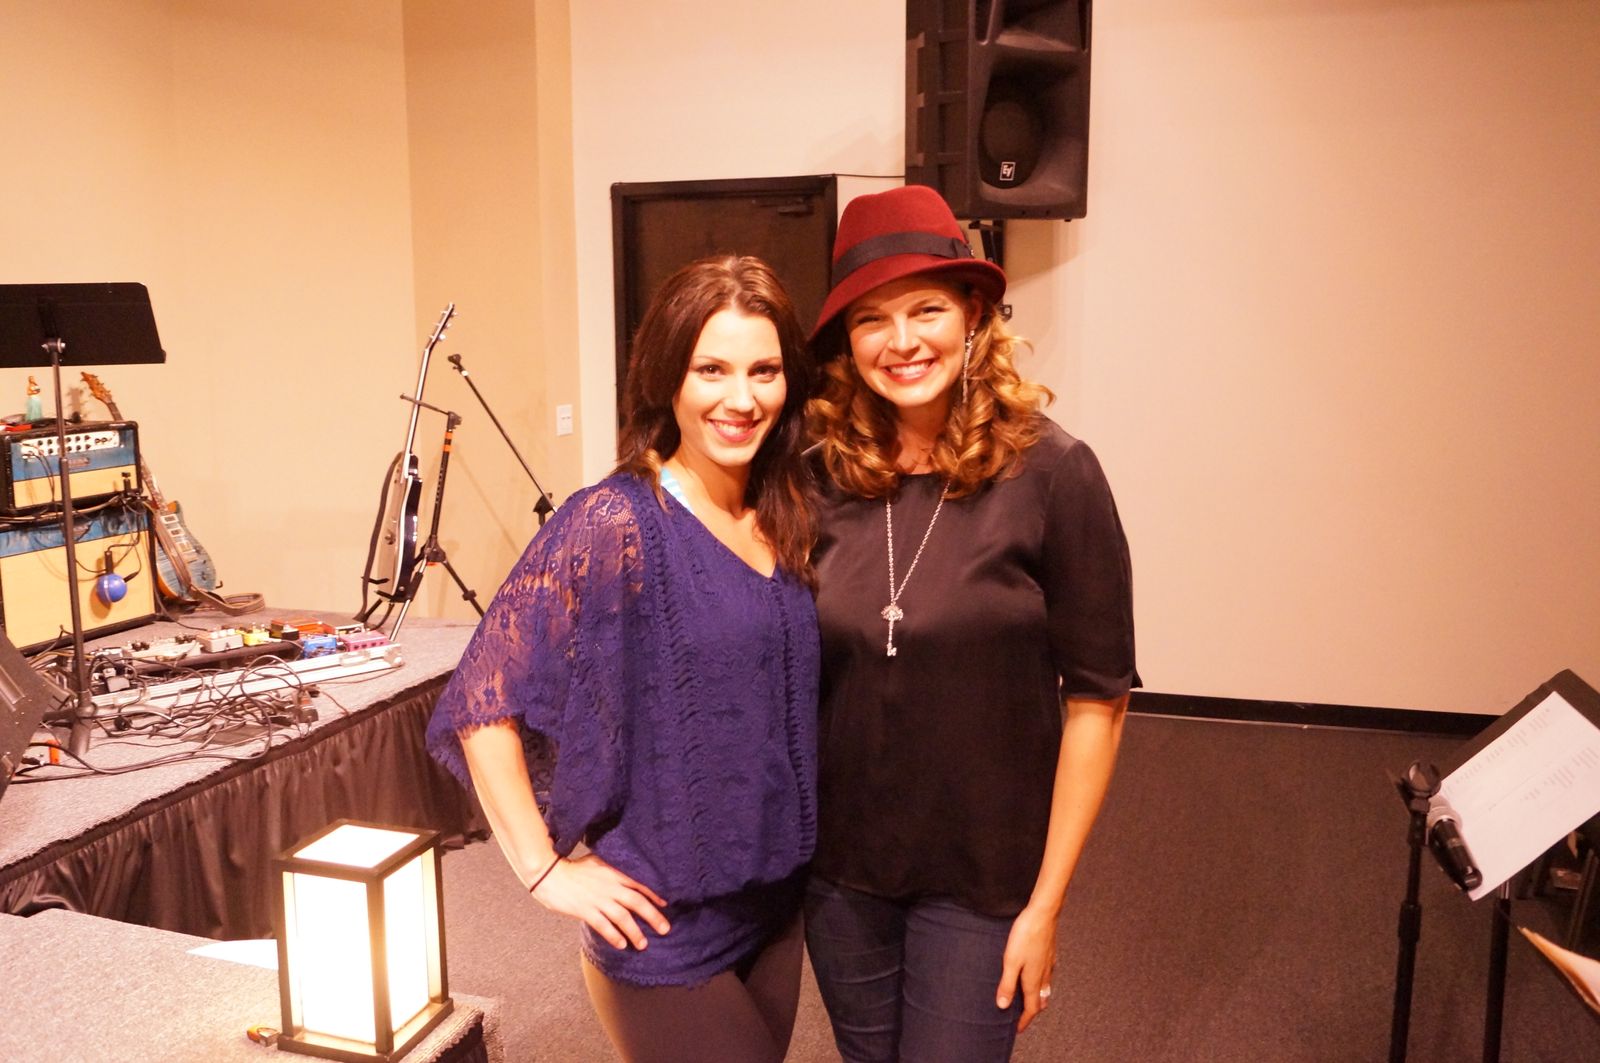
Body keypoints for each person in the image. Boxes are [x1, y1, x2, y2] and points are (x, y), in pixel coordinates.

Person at [426, 255, 820, 1063]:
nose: (742, 398)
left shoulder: (784, 510)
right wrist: (543, 870)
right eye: (711, 369)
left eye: (764, 370)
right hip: (662, 927)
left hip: (777, 906)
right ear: (668, 377)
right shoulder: (615, 522)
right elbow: (482, 699)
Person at [803, 185, 1140, 1063]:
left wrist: (1046, 903)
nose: (901, 341)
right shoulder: (819, 477)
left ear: (974, 315)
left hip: (984, 877)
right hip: (841, 875)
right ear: (848, 341)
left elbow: (1099, 702)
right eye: (872, 319)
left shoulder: (1055, 474)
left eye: (926, 309)